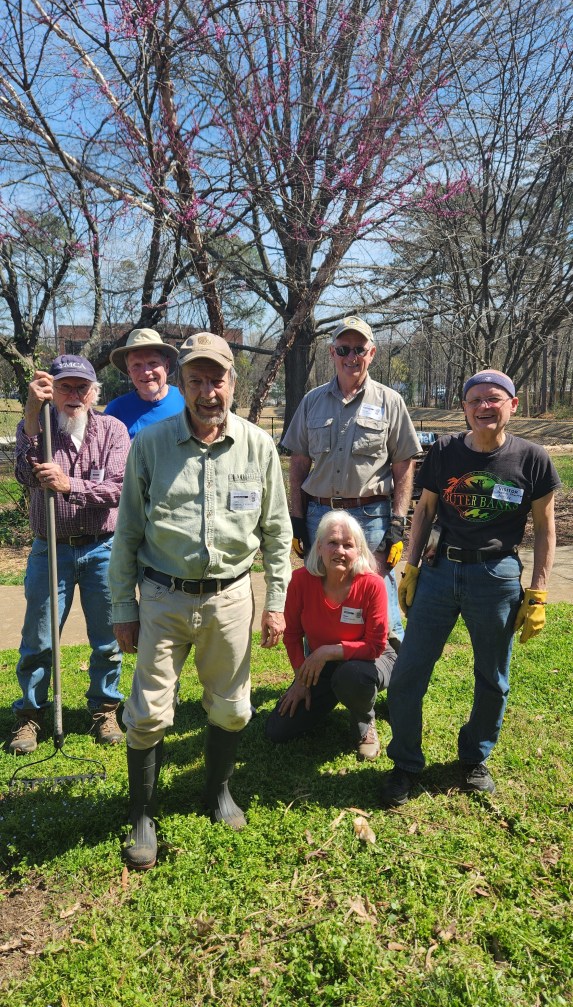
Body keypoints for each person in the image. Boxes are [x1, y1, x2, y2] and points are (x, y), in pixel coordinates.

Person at [108, 331, 292, 870]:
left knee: (232, 708)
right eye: (196, 381)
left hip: (232, 598)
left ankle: (218, 792)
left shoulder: (258, 446)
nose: (208, 392)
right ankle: (143, 813)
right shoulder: (151, 445)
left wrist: (276, 600)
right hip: (163, 597)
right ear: (181, 385)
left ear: (233, 381)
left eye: (217, 380)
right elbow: (128, 535)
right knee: (147, 715)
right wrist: (123, 607)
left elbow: (278, 531)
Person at [380, 369, 561, 807]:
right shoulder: (443, 451)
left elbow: (546, 529)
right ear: (464, 407)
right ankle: (405, 762)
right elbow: (424, 511)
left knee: (493, 679)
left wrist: (537, 593)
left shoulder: (532, 458)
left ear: (512, 405)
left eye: (494, 399)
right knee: (408, 674)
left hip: (496, 577)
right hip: (440, 573)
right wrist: (411, 568)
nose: (485, 406)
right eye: (475, 399)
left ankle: (475, 757)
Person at [9, 354, 131, 755]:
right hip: (51, 551)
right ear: (52, 392)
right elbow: (25, 476)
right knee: (39, 639)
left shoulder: (113, 430)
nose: (74, 395)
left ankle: (104, 708)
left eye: (82, 387)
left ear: (94, 392)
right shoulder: (38, 428)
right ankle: (30, 714)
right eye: (65, 387)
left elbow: (118, 489)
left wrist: (69, 485)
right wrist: (29, 416)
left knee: (107, 638)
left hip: (101, 549)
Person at [283, 315, 421, 646]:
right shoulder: (312, 401)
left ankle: (392, 670)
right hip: (320, 515)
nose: (351, 357)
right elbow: (299, 462)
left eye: (359, 349)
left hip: (371, 516)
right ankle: (315, 674)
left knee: (378, 589)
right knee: (321, 589)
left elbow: (404, 465)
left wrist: (398, 524)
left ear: (372, 353)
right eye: (343, 349)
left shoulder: (390, 402)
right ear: (331, 353)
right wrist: (298, 520)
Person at [266, 511, 396, 759]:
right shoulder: (301, 581)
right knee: (278, 730)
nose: (340, 551)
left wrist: (328, 651)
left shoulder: (372, 584)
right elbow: (292, 635)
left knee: (352, 676)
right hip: (322, 665)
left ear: (358, 551)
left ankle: (365, 721)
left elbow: (375, 646)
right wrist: (301, 680)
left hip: (371, 661)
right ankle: (336, 692)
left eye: (349, 545)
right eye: (333, 543)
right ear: (319, 547)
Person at [104, 327, 185, 438]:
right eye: (137, 365)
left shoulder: (187, 402)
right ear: (129, 372)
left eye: (153, 363)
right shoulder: (116, 411)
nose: (146, 372)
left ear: (166, 366)